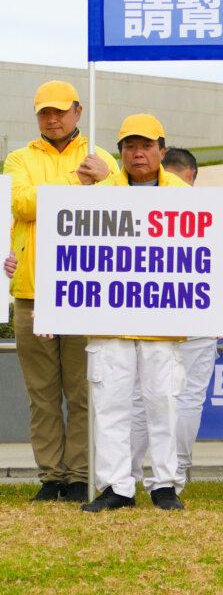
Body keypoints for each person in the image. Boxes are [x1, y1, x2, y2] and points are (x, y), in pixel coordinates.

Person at [4, 80, 117, 502]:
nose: (52, 118)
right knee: (42, 393)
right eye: (43, 112)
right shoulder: (19, 156)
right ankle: (51, 476)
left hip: (84, 291)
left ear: (78, 111)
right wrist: (79, 187)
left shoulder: (100, 158)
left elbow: (118, 205)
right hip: (32, 290)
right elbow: (21, 204)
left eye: (59, 111)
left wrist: (102, 183)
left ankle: (79, 476)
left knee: (84, 390)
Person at [81, 115, 189, 512]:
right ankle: (116, 486)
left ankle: (164, 484)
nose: (137, 153)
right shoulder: (98, 193)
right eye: (129, 145)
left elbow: (201, 257)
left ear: (162, 149)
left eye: (145, 145)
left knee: (162, 403)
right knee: (110, 404)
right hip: (109, 319)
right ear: (119, 151)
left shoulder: (182, 193)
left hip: (162, 320)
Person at [130, 146, 214, 488]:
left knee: (147, 398)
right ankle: (170, 474)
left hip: (192, 313)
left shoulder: (204, 212)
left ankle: (132, 474)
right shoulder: (205, 211)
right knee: (169, 397)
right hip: (165, 314)